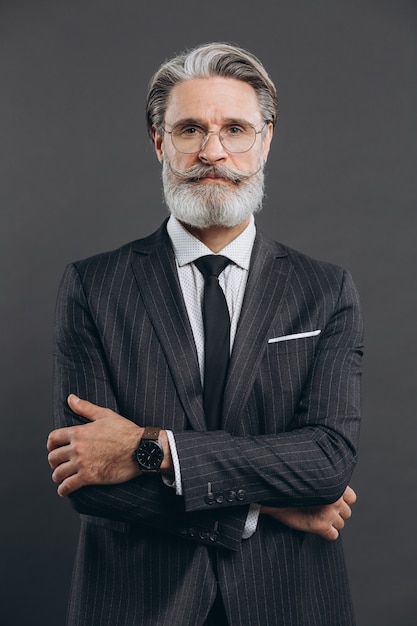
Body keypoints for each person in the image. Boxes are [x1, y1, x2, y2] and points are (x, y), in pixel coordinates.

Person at [47, 42, 363, 626]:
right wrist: (264, 508)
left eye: (235, 129)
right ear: (158, 141)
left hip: (290, 602)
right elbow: (89, 479)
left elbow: (327, 462)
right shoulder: (92, 286)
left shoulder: (325, 290)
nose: (212, 152)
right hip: (136, 604)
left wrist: (155, 449)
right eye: (190, 128)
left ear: (265, 140)